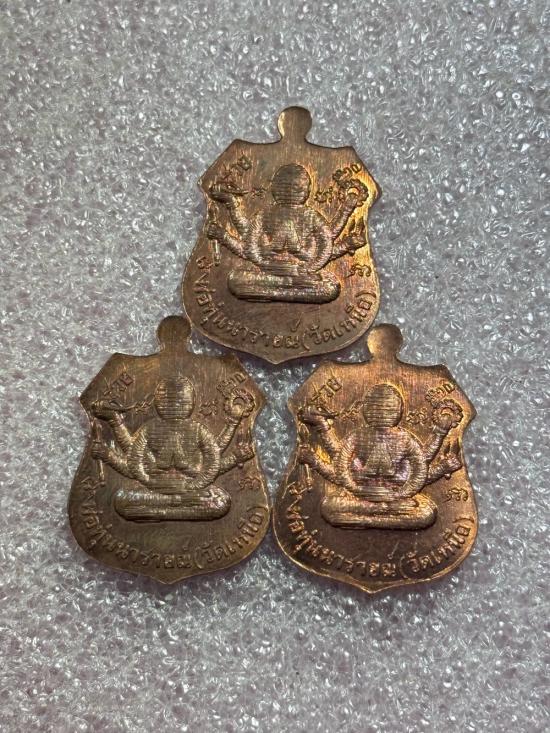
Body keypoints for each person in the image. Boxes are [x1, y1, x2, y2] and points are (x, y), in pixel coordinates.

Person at [91, 376, 254, 521]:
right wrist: (108, 450)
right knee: (122, 499)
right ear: (157, 402)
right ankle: (178, 511)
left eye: (179, 401)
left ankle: (159, 512)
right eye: (167, 400)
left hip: (190, 492)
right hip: (156, 492)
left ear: (191, 403)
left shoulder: (197, 430)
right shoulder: (150, 429)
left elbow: (213, 462)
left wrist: (233, 449)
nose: (173, 405)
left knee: (221, 501)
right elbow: (133, 460)